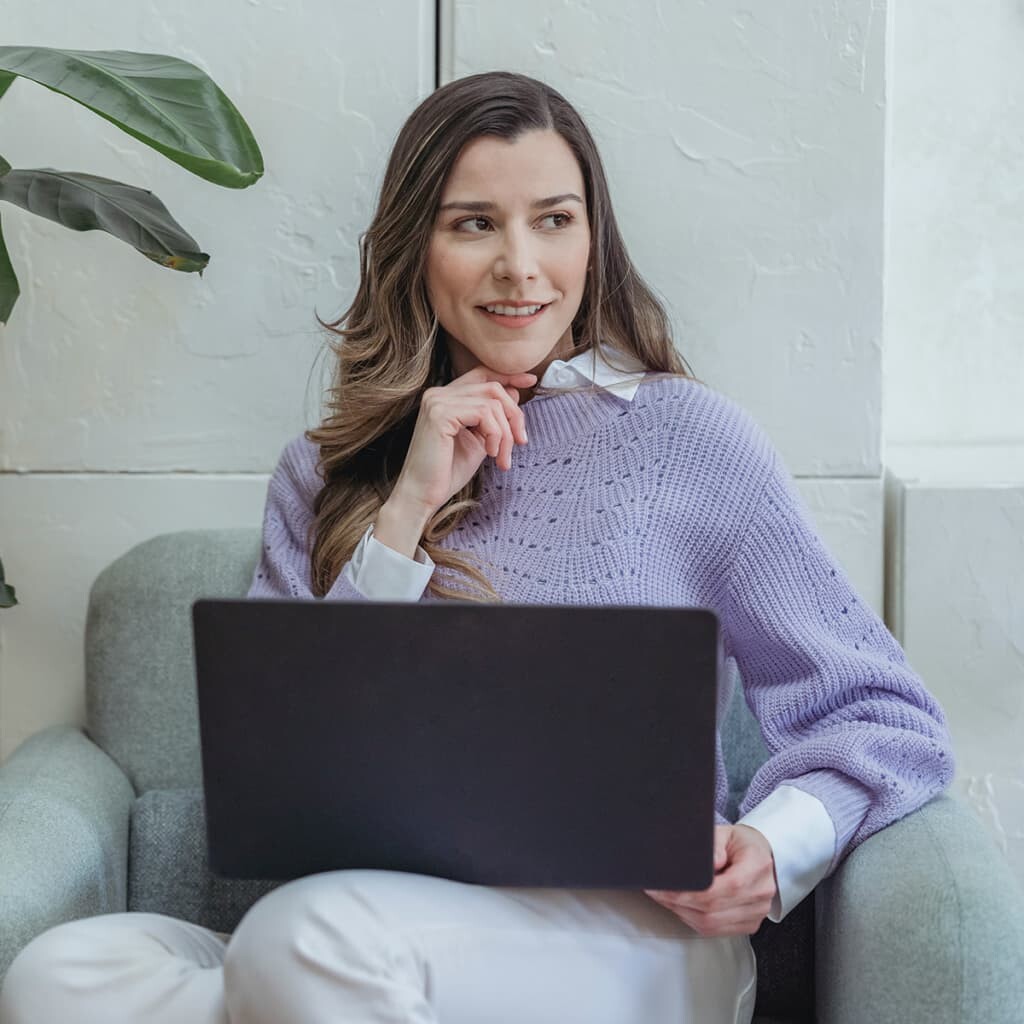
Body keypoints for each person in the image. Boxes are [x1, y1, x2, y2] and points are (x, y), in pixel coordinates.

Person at [0, 70, 954, 1024]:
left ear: (594, 239)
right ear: (416, 247)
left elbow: (879, 709)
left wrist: (776, 850)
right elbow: (284, 776)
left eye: (553, 220)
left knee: (311, 936)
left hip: (640, 936)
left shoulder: (691, 441)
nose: (521, 267)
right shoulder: (322, 474)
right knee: (66, 974)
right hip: (368, 922)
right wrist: (405, 508)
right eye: (473, 225)